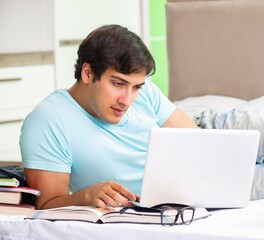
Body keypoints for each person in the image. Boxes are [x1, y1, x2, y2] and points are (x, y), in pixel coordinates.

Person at [20, 24, 197, 210]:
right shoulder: (48, 120)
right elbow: (46, 206)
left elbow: (196, 143)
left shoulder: (147, 93)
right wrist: (87, 195)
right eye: (118, 83)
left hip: (188, 201)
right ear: (87, 73)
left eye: (136, 87)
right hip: (140, 218)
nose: (127, 100)